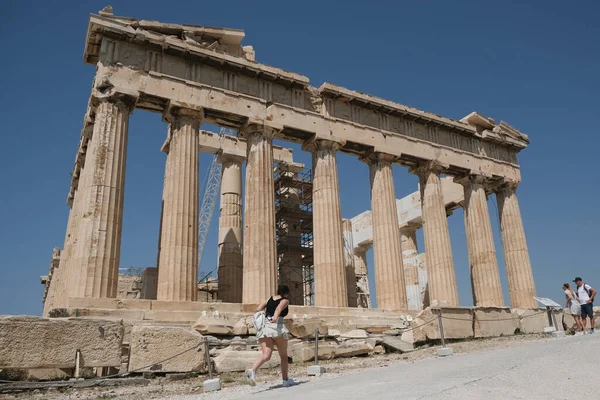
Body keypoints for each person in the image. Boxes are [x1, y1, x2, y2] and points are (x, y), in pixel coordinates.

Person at [245, 285, 295, 387]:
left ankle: (252, 370)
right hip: (277, 328)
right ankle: (285, 380)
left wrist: (266, 315)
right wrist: (275, 318)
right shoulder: (285, 300)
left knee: (266, 355)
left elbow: (258, 309)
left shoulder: (269, 298)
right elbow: (278, 309)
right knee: (284, 356)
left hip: (265, 328)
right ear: (286, 293)